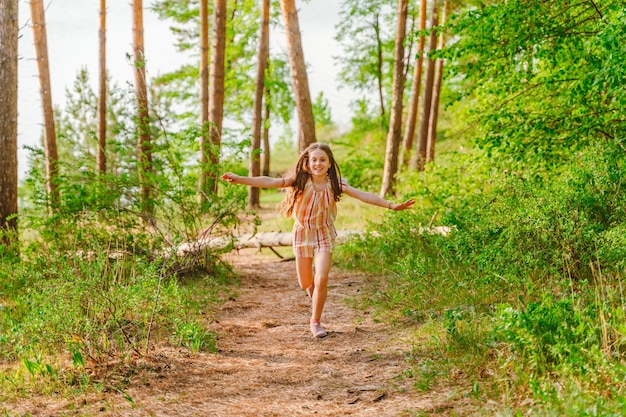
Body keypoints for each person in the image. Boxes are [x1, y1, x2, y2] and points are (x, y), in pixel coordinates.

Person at [221, 143, 415, 338]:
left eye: (322, 160)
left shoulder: (336, 183)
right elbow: (270, 181)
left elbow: (363, 195)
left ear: (330, 163)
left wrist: (391, 205)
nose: (318, 163)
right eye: (314, 159)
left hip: (324, 233)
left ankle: (315, 321)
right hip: (303, 233)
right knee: (306, 281)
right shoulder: (298, 180)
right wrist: (240, 179)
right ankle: (315, 295)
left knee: (322, 277)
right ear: (307, 163)